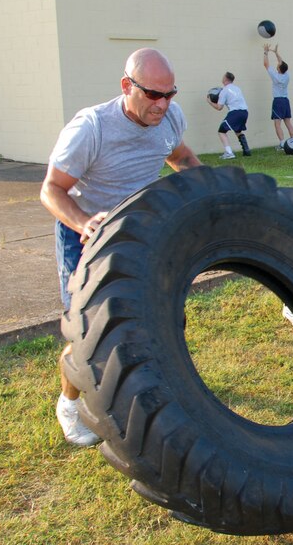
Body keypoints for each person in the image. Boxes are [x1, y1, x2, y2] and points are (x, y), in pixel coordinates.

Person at [40, 48, 202, 446]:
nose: (162, 104)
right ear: (127, 86)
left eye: (170, 94)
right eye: (153, 94)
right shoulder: (91, 128)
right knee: (87, 334)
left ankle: (159, 390)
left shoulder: (169, 118)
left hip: (137, 232)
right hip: (84, 233)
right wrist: (84, 222)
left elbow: (181, 158)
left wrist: (210, 191)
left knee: (161, 317)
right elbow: (51, 190)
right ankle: (69, 403)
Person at [207, 72, 251, 159]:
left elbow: (219, 107)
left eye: (223, 77)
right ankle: (247, 150)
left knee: (221, 131)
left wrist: (210, 102)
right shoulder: (237, 88)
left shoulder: (224, 90)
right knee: (238, 130)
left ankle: (229, 153)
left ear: (226, 79)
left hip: (235, 113)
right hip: (244, 112)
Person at [263, 44, 293, 149]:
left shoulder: (276, 76)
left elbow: (266, 64)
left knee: (277, 124)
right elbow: (282, 63)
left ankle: (282, 144)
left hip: (278, 101)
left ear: (279, 68)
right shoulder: (287, 75)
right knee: (288, 122)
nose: (277, 64)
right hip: (286, 101)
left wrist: (266, 52)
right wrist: (276, 53)